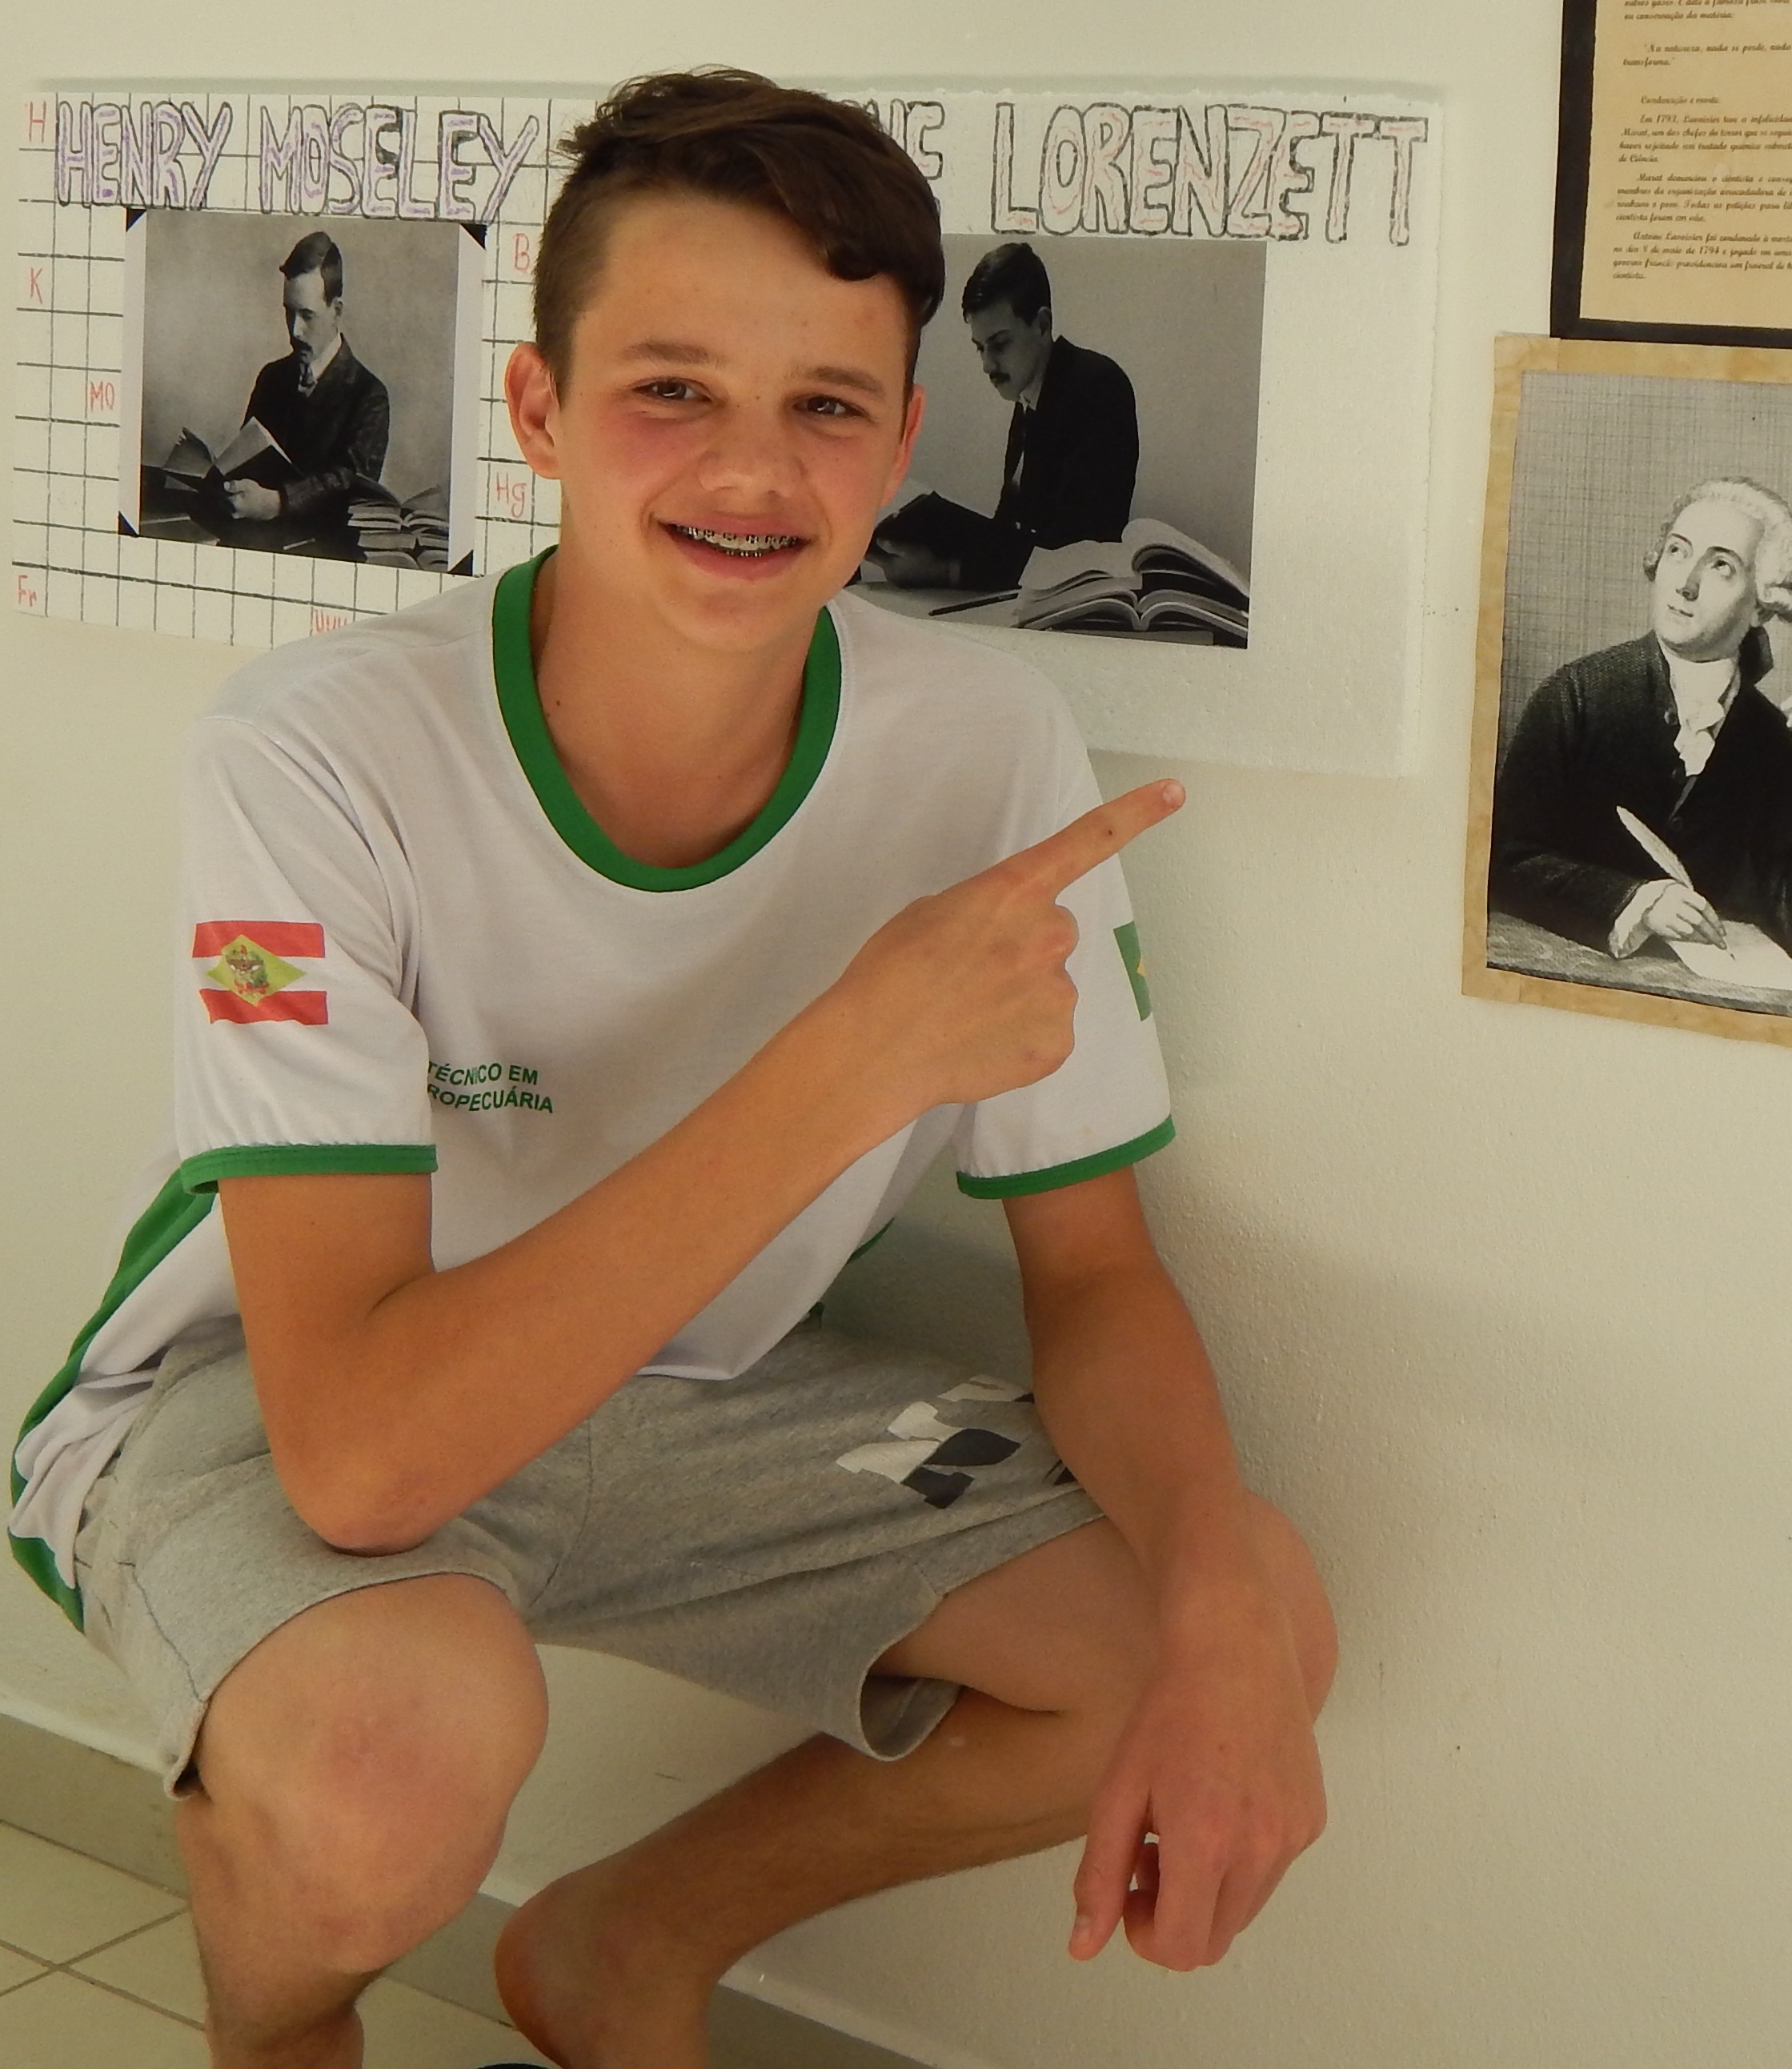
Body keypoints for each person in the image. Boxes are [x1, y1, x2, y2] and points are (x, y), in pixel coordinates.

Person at [8, 68, 1332, 2069]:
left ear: (903, 437)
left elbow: (1097, 1270)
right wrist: (854, 1055)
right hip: (273, 1396)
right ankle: (281, 2033)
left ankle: (631, 1940)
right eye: (671, 389)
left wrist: (1225, 1599)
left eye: (826, 404)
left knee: (1236, 1617)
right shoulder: (313, 747)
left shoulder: (986, 745)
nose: (752, 467)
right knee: (385, 1757)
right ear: (538, 409)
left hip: (685, 1394)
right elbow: (360, 1457)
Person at [1489, 478, 1792, 974]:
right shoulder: (1577, 695)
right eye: (1678, 551)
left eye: (1721, 566)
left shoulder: (1769, 740)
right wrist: (1636, 901)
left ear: (1762, 605)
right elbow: (1503, 862)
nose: (1685, 584)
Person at [872, 241, 1140, 591]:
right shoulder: (1031, 394)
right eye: (980, 348)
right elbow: (1012, 528)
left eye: (999, 344)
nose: (987, 365)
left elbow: (1073, 550)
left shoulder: (1097, 386)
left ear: (1042, 324)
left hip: (1079, 603)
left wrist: (946, 571)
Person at [222, 230, 393, 543]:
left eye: (307, 316)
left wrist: (278, 502)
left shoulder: (369, 395)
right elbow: (245, 460)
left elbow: (351, 484)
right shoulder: (271, 378)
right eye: (288, 313)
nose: (295, 331)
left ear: (336, 311)